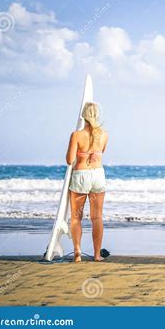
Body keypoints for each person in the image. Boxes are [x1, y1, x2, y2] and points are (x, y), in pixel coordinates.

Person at [66, 102, 108, 262]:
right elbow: (101, 152)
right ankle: (97, 255)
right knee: (96, 217)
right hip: (98, 175)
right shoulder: (104, 135)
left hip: (81, 175)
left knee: (76, 217)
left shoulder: (76, 135)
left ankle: (77, 254)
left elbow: (70, 160)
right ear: (97, 115)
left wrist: (80, 153)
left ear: (83, 116)